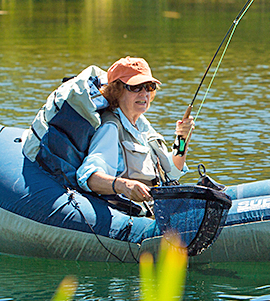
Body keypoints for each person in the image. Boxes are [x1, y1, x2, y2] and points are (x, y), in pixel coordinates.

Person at [77, 56, 194, 207]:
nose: (144, 93)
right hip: (136, 218)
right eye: (135, 87)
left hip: (161, 206)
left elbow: (171, 171)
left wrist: (182, 138)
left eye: (149, 86)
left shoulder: (141, 124)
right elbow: (88, 178)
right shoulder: (111, 128)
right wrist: (123, 185)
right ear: (116, 91)